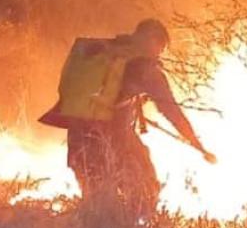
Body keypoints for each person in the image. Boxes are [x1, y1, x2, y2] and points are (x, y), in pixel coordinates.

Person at [41, 19, 215, 217]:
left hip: (78, 141)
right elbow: (171, 111)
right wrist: (196, 143)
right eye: (161, 48)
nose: (159, 54)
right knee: (146, 193)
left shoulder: (103, 52)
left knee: (94, 205)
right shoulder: (145, 69)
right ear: (152, 40)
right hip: (114, 143)